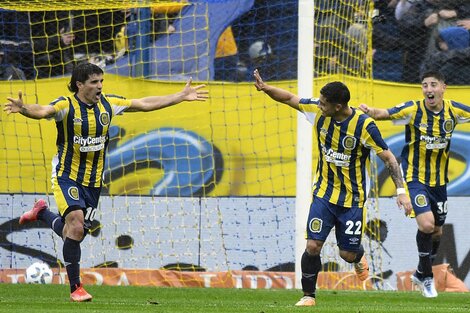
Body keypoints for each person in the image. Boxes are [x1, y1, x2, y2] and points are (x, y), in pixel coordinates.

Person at [3, 62, 208, 302]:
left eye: (101, 81)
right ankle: (76, 288)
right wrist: (24, 108)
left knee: (73, 233)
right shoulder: (66, 106)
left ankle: (43, 213)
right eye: (94, 82)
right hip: (66, 175)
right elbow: (43, 111)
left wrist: (180, 97)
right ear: (80, 84)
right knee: (76, 226)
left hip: (93, 182)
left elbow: (143, 104)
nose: (99, 86)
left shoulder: (109, 104)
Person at [253, 69, 412, 306]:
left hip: (352, 200)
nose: (320, 106)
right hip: (324, 194)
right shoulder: (318, 112)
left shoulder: (364, 126)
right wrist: (266, 89)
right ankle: (308, 296)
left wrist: (402, 192)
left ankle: (358, 257)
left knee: (346, 254)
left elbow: (389, 158)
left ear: (338, 106)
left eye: (324, 103)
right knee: (313, 245)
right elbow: (289, 98)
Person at [359, 70, 470, 298]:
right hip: (415, 179)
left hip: (439, 183)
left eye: (433, 85)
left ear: (443, 87)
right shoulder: (413, 109)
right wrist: (370, 112)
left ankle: (420, 271)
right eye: (424, 85)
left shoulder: (454, 110)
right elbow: (385, 113)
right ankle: (427, 277)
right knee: (427, 225)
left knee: (437, 231)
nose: (428, 89)